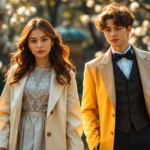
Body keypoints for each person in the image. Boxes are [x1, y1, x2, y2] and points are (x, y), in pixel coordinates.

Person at [0, 17, 83, 150]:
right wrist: (2, 144)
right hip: (21, 139)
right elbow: (4, 111)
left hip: (53, 141)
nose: (39, 45)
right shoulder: (16, 72)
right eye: (33, 41)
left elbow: (73, 118)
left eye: (44, 39)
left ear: (52, 41)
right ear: (27, 44)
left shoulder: (66, 75)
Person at [82, 2, 150, 150]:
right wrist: (95, 142)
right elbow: (88, 110)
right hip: (113, 141)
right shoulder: (92, 68)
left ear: (129, 29)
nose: (113, 34)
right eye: (108, 30)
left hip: (146, 136)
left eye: (118, 28)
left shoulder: (148, 61)